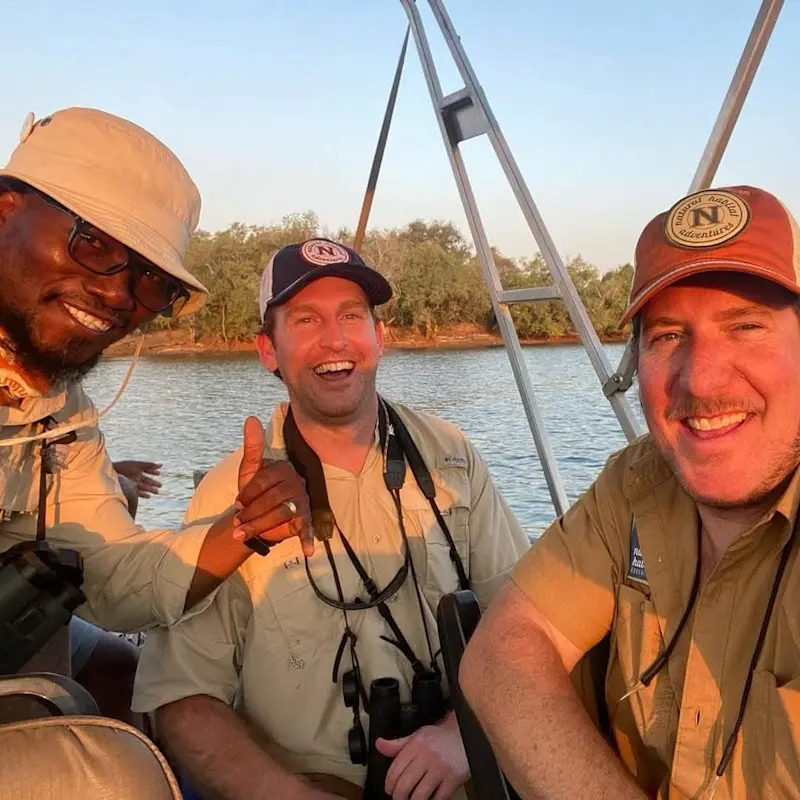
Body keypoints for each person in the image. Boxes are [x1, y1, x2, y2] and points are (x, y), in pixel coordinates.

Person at [133, 238, 530, 800]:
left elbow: (526, 626)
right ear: (268, 351)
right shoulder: (230, 494)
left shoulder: (452, 456)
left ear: (379, 337)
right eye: (306, 320)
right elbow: (182, 700)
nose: (335, 340)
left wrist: (464, 737)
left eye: (352, 316)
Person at [460, 185, 800, 799]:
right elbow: (500, 654)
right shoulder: (638, 485)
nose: (700, 379)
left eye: (746, 326)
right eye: (668, 336)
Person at [0, 107, 314, 671]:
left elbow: (113, 575)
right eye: (92, 244)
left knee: (123, 678)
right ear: (5, 212)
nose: (120, 294)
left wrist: (247, 527)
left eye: (151, 280)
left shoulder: (60, 421)